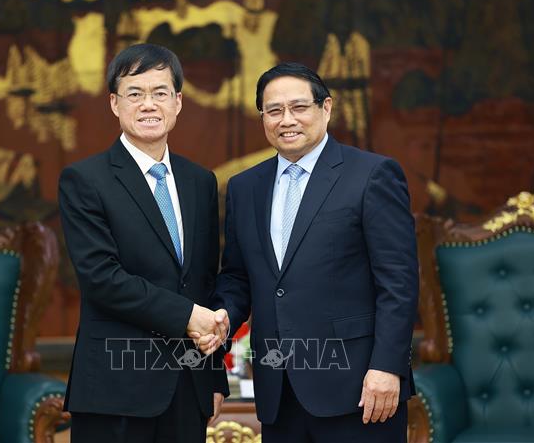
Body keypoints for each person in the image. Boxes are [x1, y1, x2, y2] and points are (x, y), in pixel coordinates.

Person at [200, 62, 418, 443]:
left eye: (299, 107)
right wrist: (218, 321)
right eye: (274, 110)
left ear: (326, 108)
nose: (287, 120)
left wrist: (387, 366)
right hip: (278, 393)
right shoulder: (244, 188)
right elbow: (237, 278)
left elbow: (398, 282)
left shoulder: (372, 175)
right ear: (263, 118)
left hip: (360, 389)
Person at [58, 43, 229, 443]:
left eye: (160, 93)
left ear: (178, 102)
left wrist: (213, 376)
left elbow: (204, 281)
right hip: (116, 389)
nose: (148, 104)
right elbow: (101, 279)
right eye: (134, 93)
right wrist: (188, 316)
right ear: (114, 103)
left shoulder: (200, 181)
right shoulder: (85, 180)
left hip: (188, 385)